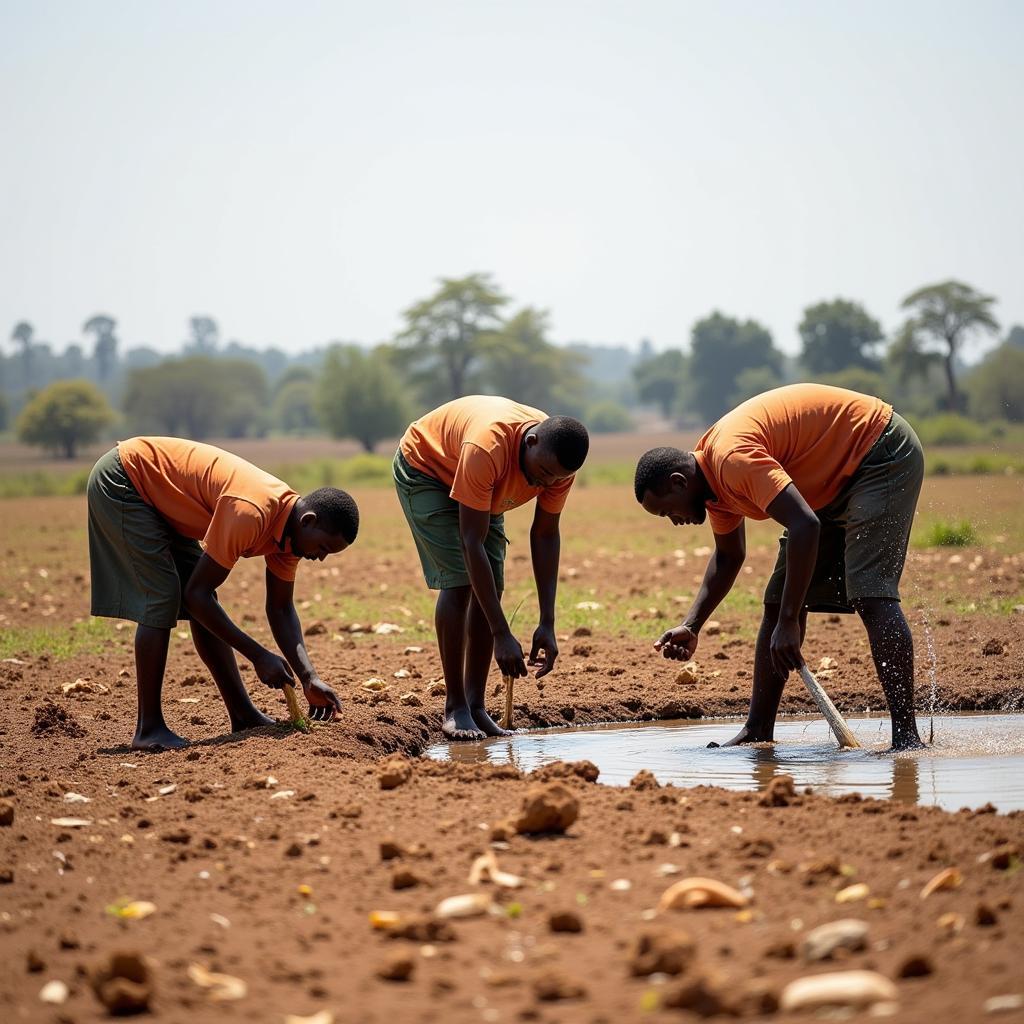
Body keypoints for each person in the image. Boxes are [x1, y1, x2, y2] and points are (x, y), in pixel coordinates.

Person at [633, 383, 925, 751]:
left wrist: (791, 621)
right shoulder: (713, 488)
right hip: (828, 479)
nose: (672, 521)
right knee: (777, 601)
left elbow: (805, 525)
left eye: (666, 511)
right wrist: (692, 625)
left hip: (877, 449)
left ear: (679, 482)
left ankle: (906, 738)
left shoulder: (732, 460)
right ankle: (757, 730)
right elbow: (728, 557)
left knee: (870, 593)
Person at [87, 436, 358, 751]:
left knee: (204, 604)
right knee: (162, 596)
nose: (320, 558)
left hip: (159, 497)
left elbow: (280, 609)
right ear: (308, 521)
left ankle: (243, 714)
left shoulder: (292, 536)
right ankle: (148, 728)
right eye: (323, 548)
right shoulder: (252, 512)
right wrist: (258, 655)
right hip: (126, 478)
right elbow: (195, 595)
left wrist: (309, 677)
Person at [394, 397, 589, 741]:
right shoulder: (488, 447)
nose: (542, 485)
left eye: (552, 480)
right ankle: (455, 706)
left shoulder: (556, 468)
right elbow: (471, 542)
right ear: (531, 442)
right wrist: (501, 634)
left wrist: (547, 621)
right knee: (459, 582)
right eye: (541, 475)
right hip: (428, 467)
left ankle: (476, 705)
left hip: (485, 483)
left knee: (491, 588)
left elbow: (545, 534)